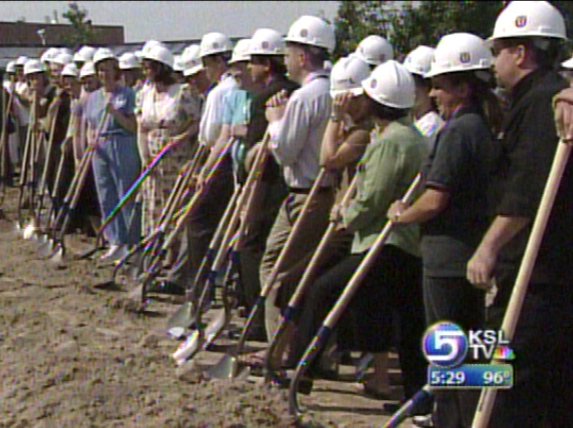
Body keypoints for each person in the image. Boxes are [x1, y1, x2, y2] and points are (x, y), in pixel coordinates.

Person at [290, 60, 427, 406]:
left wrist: (345, 216)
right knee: (407, 319)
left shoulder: (390, 143)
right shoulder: (411, 137)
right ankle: (417, 394)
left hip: (383, 243)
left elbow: (373, 199)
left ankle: (301, 371)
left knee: (321, 291)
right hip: (404, 244)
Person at [466, 2, 573, 426]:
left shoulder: (542, 103)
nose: (492, 64)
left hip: (537, 276)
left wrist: (488, 248)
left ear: (521, 53)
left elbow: (526, 190)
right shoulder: (537, 99)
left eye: (498, 52)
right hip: (541, 274)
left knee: (506, 383)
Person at [387, 33, 502, 427]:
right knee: (468, 353)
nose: (433, 94)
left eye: (441, 86)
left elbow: (436, 199)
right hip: (464, 255)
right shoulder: (479, 127)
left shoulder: (458, 132)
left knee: (451, 354)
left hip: (448, 259)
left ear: (464, 87)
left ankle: (453, 421)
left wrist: (403, 215)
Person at [259, 15, 336, 351]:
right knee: (309, 272)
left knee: (277, 271)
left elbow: (285, 152)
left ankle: (281, 347)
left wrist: (276, 122)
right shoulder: (334, 89)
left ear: (303, 56)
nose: (285, 59)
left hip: (305, 194)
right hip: (326, 192)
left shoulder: (305, 98)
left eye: (289, 52)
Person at [138, 43, 200, 245]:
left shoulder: (182, 93)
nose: (146, 72)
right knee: (155, 205)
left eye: (150, 67)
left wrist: (180, 138)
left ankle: (174, 250)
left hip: (176, 158)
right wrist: (144, 156)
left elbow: (197, 122)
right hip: (153, 161)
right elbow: (142, 128)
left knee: (175, 204)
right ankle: (154, 247)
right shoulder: (145, 94)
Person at [403, 45, 444, 146]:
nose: (407, 89)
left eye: (414, 83)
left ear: (428, 86)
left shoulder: (431, 125)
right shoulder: (414, 121)